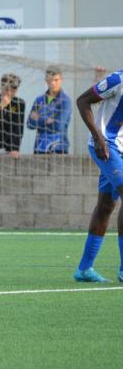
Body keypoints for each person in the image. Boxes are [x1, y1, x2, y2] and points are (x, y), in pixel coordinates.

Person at [72, 68, 123, 283]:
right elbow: (82, 101)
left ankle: (84, 269)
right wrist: (98, 137)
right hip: (106, 145)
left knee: (106, 205)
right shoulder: (117, 80)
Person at [26, 65, 72, 154]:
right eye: (50, 80)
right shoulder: (39, 100)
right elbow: (29, 124)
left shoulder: (65, 101)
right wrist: (47, 120)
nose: (53, 83)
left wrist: (38, 119)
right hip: (39, 148)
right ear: (46, 80)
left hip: (58, 149)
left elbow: (58, 126)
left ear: (61, 80)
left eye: (56, 80)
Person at [0, 73, 26, 158]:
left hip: (9, 147)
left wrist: (15, 148)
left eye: (13, 91)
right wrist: (1, 107)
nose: (9, 93)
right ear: (1, 87)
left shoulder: (19, 103)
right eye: (6, 90)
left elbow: (18, 128)